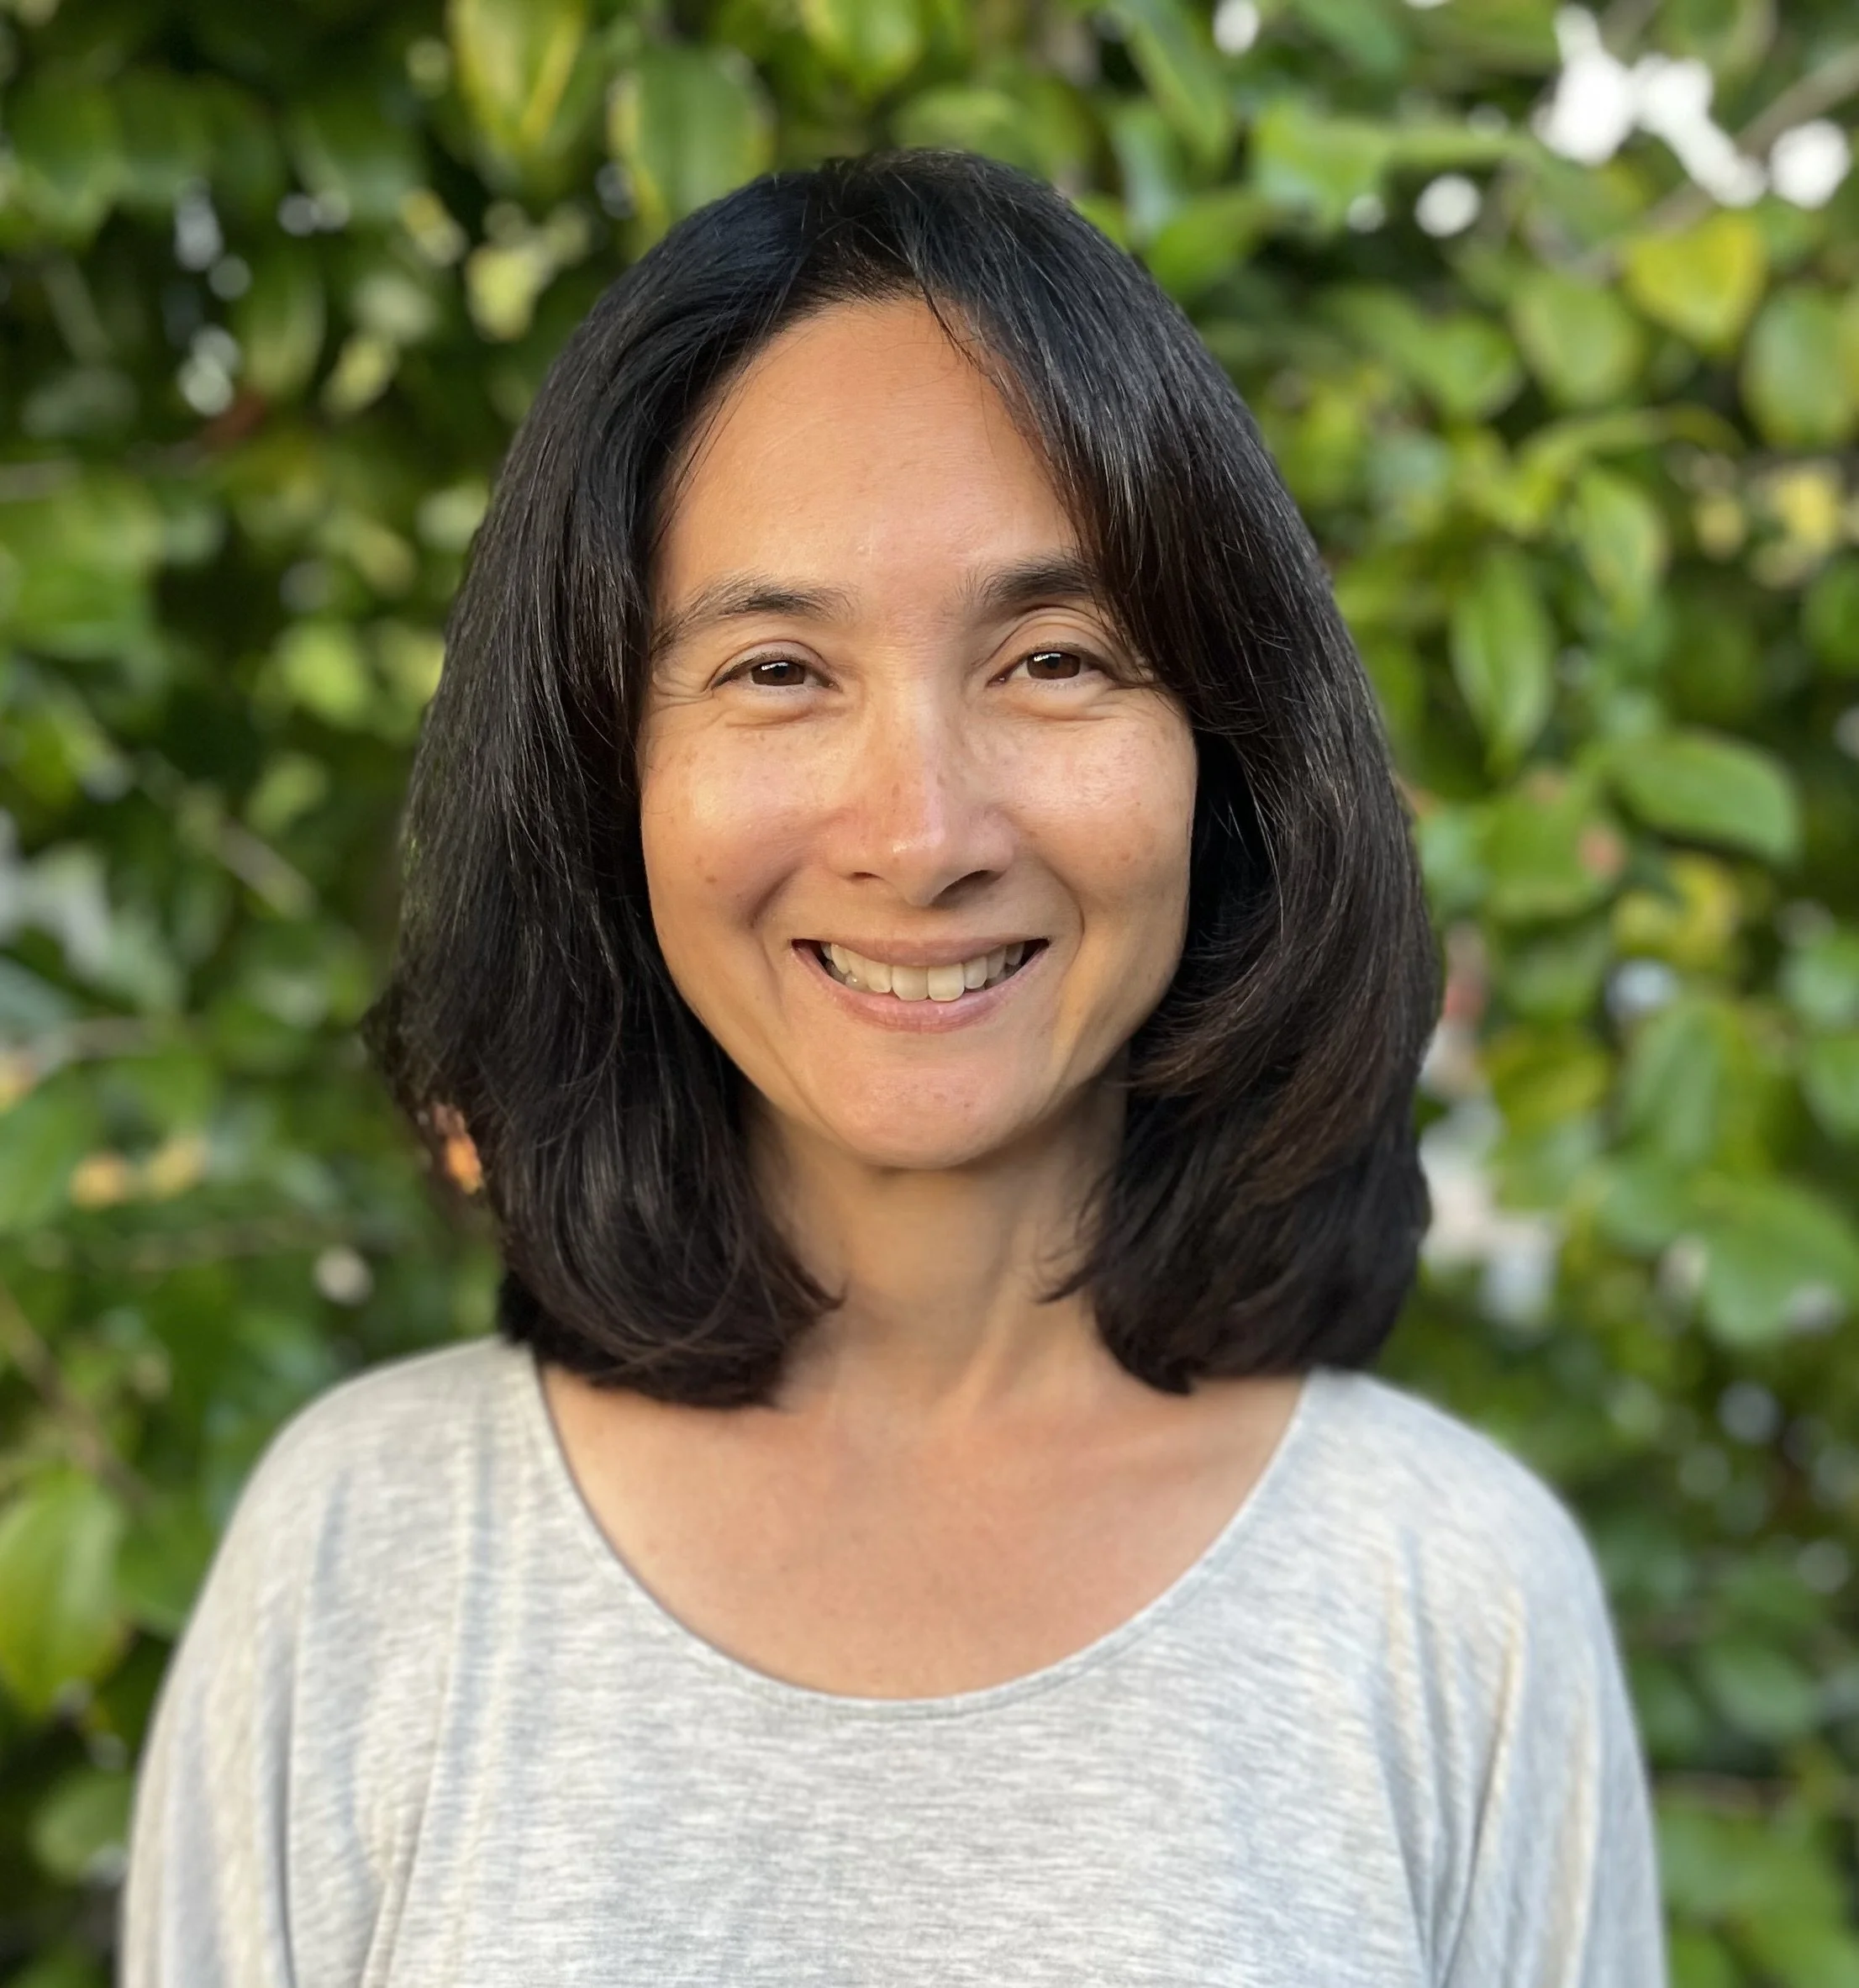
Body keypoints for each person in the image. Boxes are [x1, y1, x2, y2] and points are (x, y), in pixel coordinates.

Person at [118, 149, 1667, 1985]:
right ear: (607, 777)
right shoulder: (362, 1563)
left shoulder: (1453, 1605)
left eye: (1055, 659)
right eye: (776, 670)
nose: (922, 835)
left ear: (1225, 757)